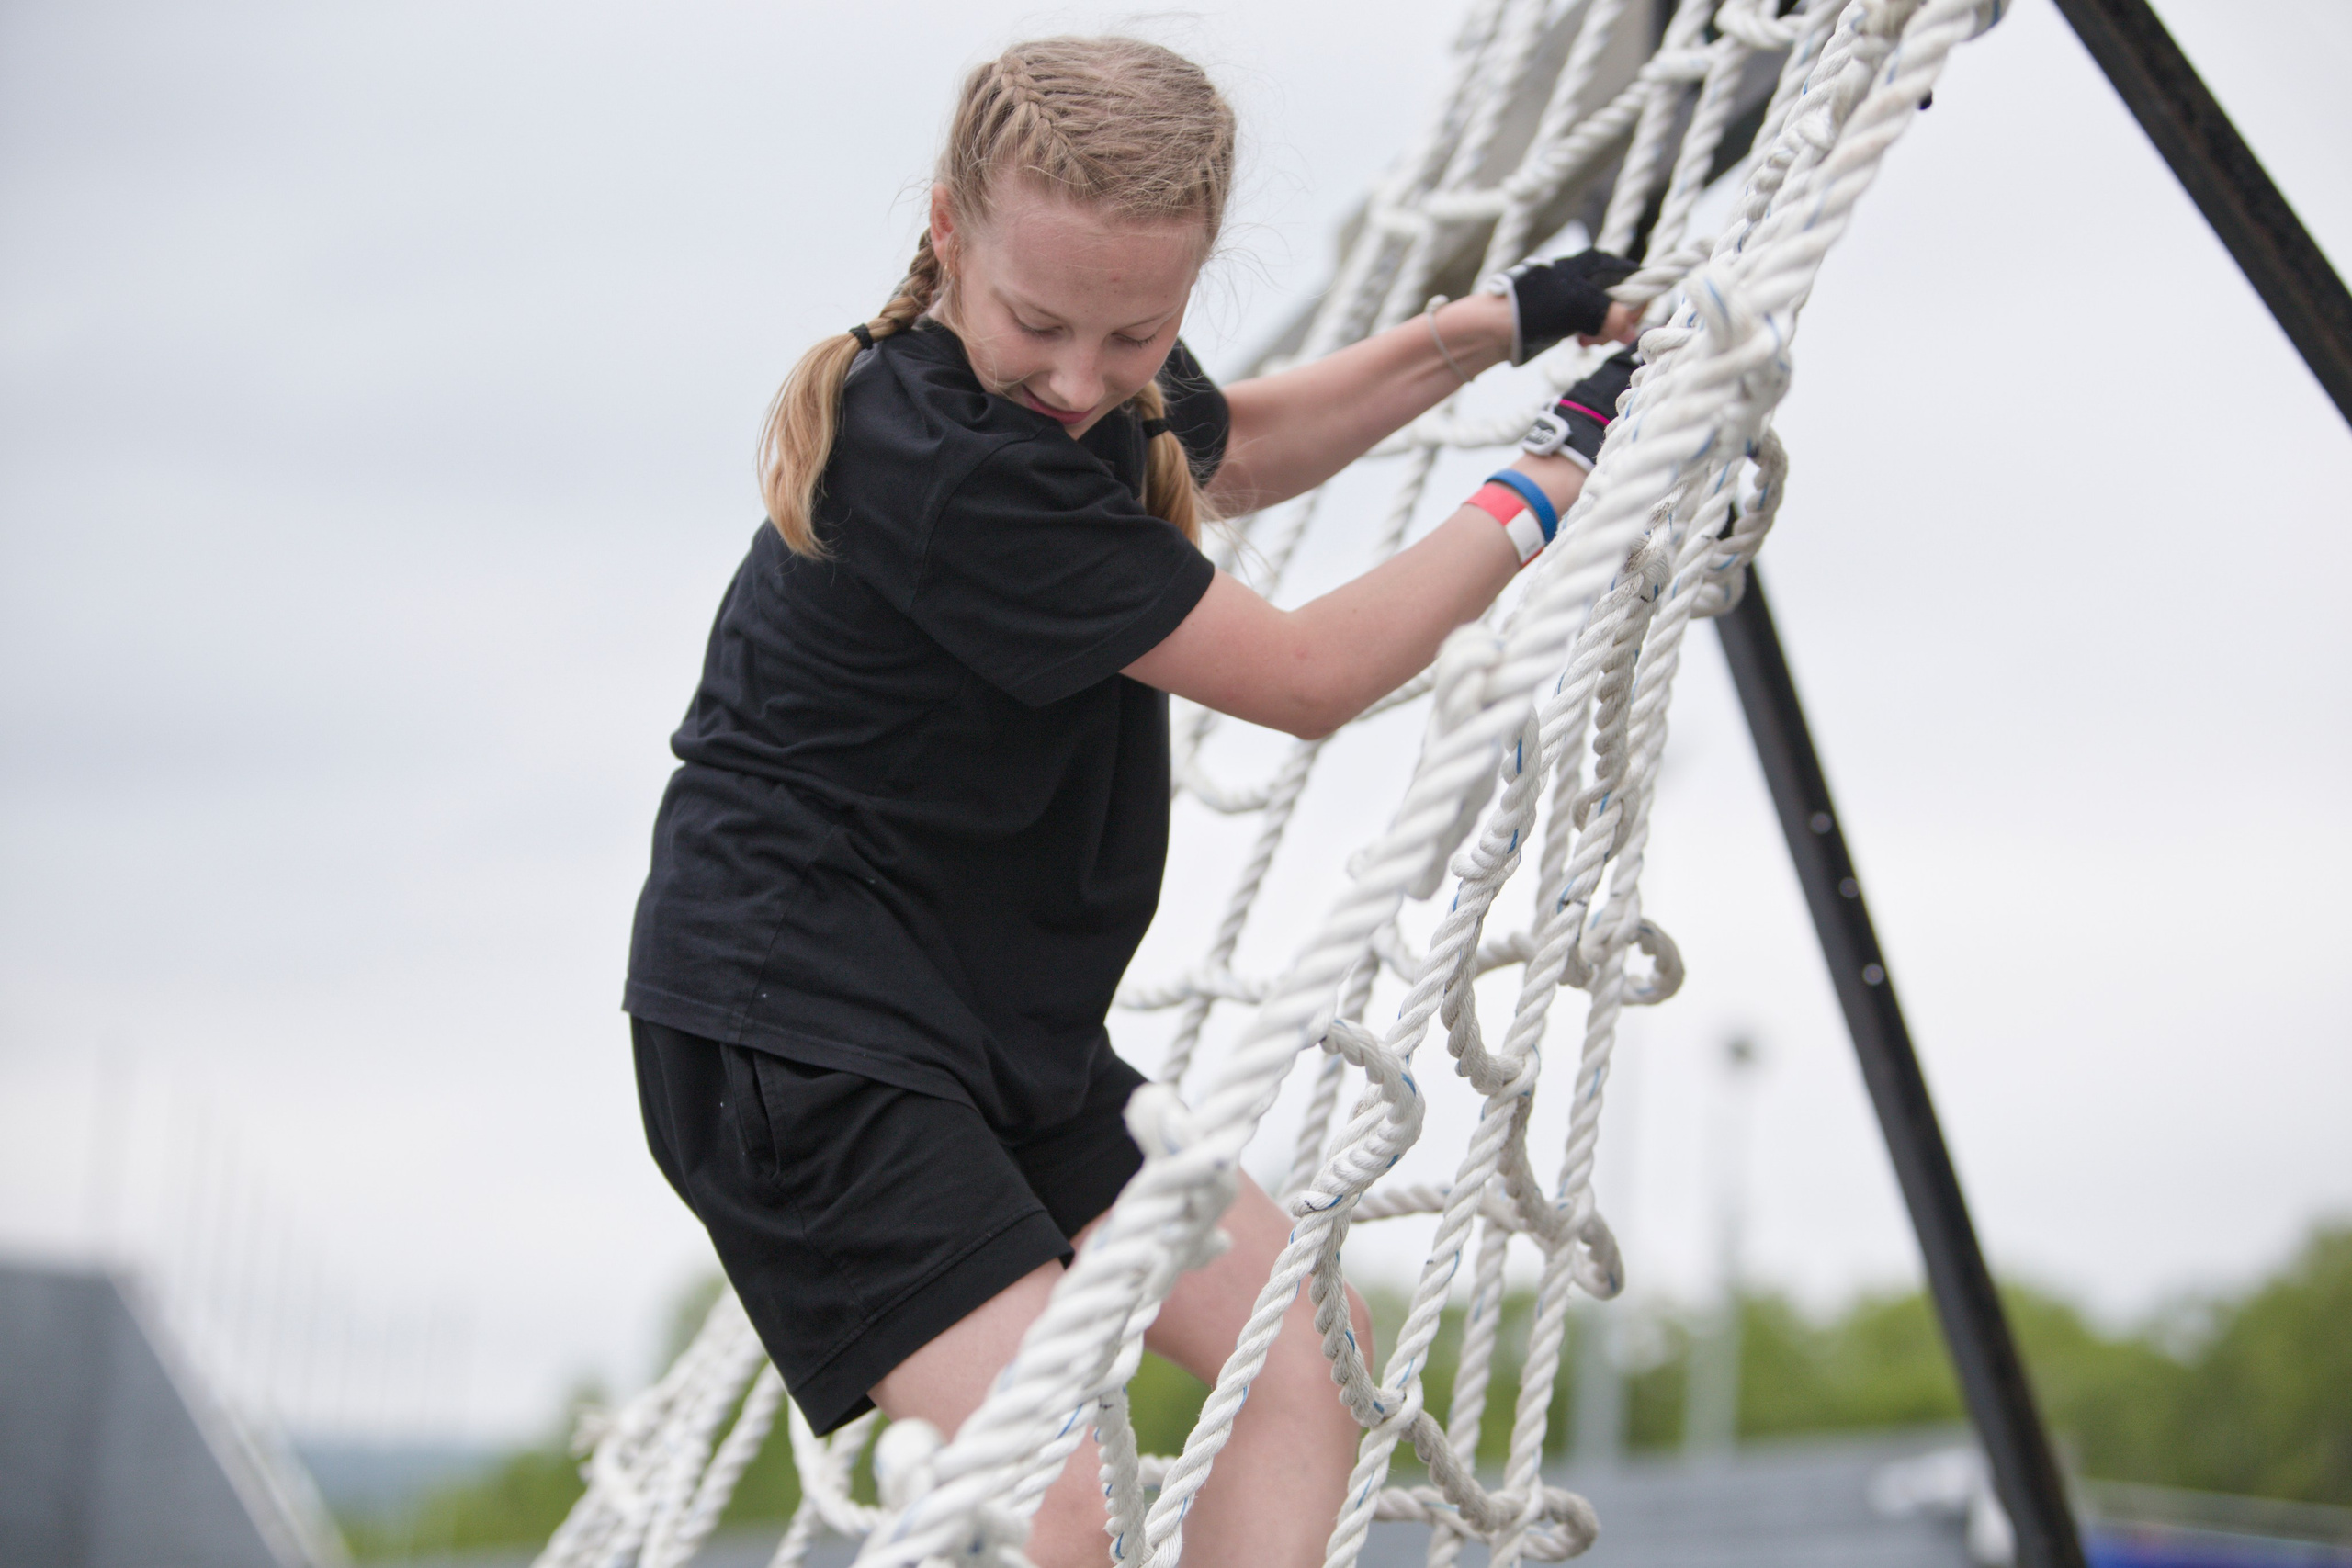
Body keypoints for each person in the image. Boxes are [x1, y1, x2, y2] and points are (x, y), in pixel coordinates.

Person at [624, 36, 1641, 1568]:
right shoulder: (951, 464)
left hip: (989, 1029)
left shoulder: (1086, 393)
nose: (1084, 383)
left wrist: (1508, 326)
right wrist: (1553, 474)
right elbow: (1305, 676)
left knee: (1300, 1350)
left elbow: (1241, 444)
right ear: (948, 233)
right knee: (1057, 1490)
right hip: (808, 1034)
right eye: (1039, 324)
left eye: (1136, 332)